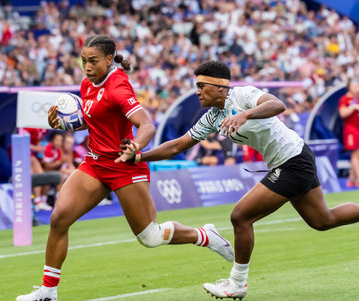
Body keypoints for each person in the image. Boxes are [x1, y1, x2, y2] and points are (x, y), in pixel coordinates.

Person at [117, 61, 359, 300]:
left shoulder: (243, 95)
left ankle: (237, 283)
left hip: (293, 161)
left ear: (220, 87)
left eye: (201, 86)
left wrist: (245, 115)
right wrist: (139, 157)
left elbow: (277, 104)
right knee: (323, 220)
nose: (197, 92)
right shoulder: (212, 117)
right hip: (292, 160)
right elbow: (178, 145)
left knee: (240, 216)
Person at [16, 36, 234, 301]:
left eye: (93, 61)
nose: (86, 66)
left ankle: (204, 235)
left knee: (150, 237)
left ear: (109, 59)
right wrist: (63, 125)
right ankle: (48, 292)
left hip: (125, 167)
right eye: (83, 60)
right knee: (59, 218)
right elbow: (94, 118)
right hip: (95, 164)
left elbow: (147, 125)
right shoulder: (87, 84)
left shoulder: (118, 88)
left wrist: (136, 148)